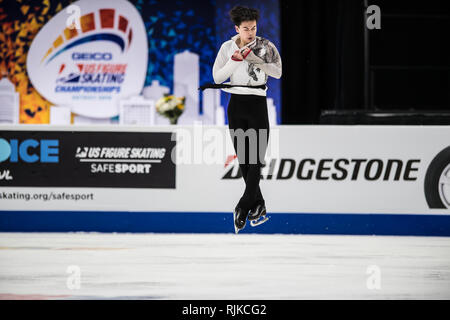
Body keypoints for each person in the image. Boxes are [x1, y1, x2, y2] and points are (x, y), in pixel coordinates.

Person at [212, 5, 282, 233]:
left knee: (256, 158)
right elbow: (217, 77)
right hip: (236, 105)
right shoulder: (227, 47)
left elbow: (278, 72)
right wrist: (235, 60)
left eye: (253, 28)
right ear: (237, 28)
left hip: (258, 104)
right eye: (245, 28)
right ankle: (258, 204)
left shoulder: (265, 46)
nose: (250, 32)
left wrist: (255, 59)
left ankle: (243, 206)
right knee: (245, 159)